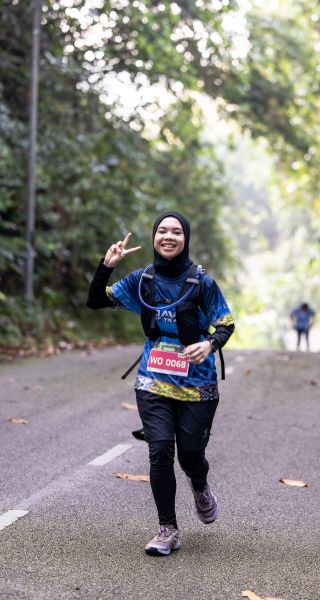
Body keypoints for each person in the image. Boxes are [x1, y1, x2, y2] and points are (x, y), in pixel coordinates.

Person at [87, 211, 235, 556]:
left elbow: (226, 324)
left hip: (198, 384)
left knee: (191, 455)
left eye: (176, 232)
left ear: (186, 239)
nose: (169, 237)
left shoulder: (202, 282)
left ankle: (200, 485)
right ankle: (168, 529)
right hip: (152, 380)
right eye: (162, 231)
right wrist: (106, 266)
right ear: (154, 237)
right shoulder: (142, 280)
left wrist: (209, 344)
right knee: (160, 450)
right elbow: (95, 300)